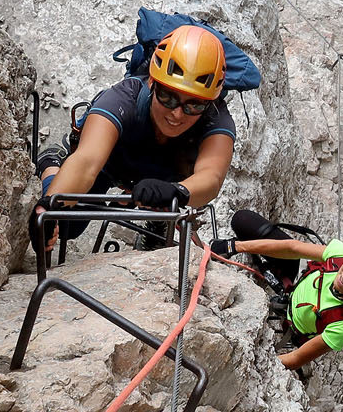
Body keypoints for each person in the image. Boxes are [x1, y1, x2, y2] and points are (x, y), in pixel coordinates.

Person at [33, 25, 236, 246]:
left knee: (169, 203)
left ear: (209, 103)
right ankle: (52, 161)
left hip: (164, 182)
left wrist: (177, 191)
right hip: (111, 163)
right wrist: (49, 207)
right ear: (152, 83)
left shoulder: (216, 118)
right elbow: (87, 160)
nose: (177, 114)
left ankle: (158, 219)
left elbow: (211, 178)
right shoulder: (123, 98)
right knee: (65, 227)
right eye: (168, 97)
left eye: (194, 105)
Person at [212, 210, 343, 371]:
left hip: (292, 329)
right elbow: (293, 248)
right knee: (243, 219)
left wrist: (254, 365)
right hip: (290, 283)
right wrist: (232, 246)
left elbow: (296, 359)